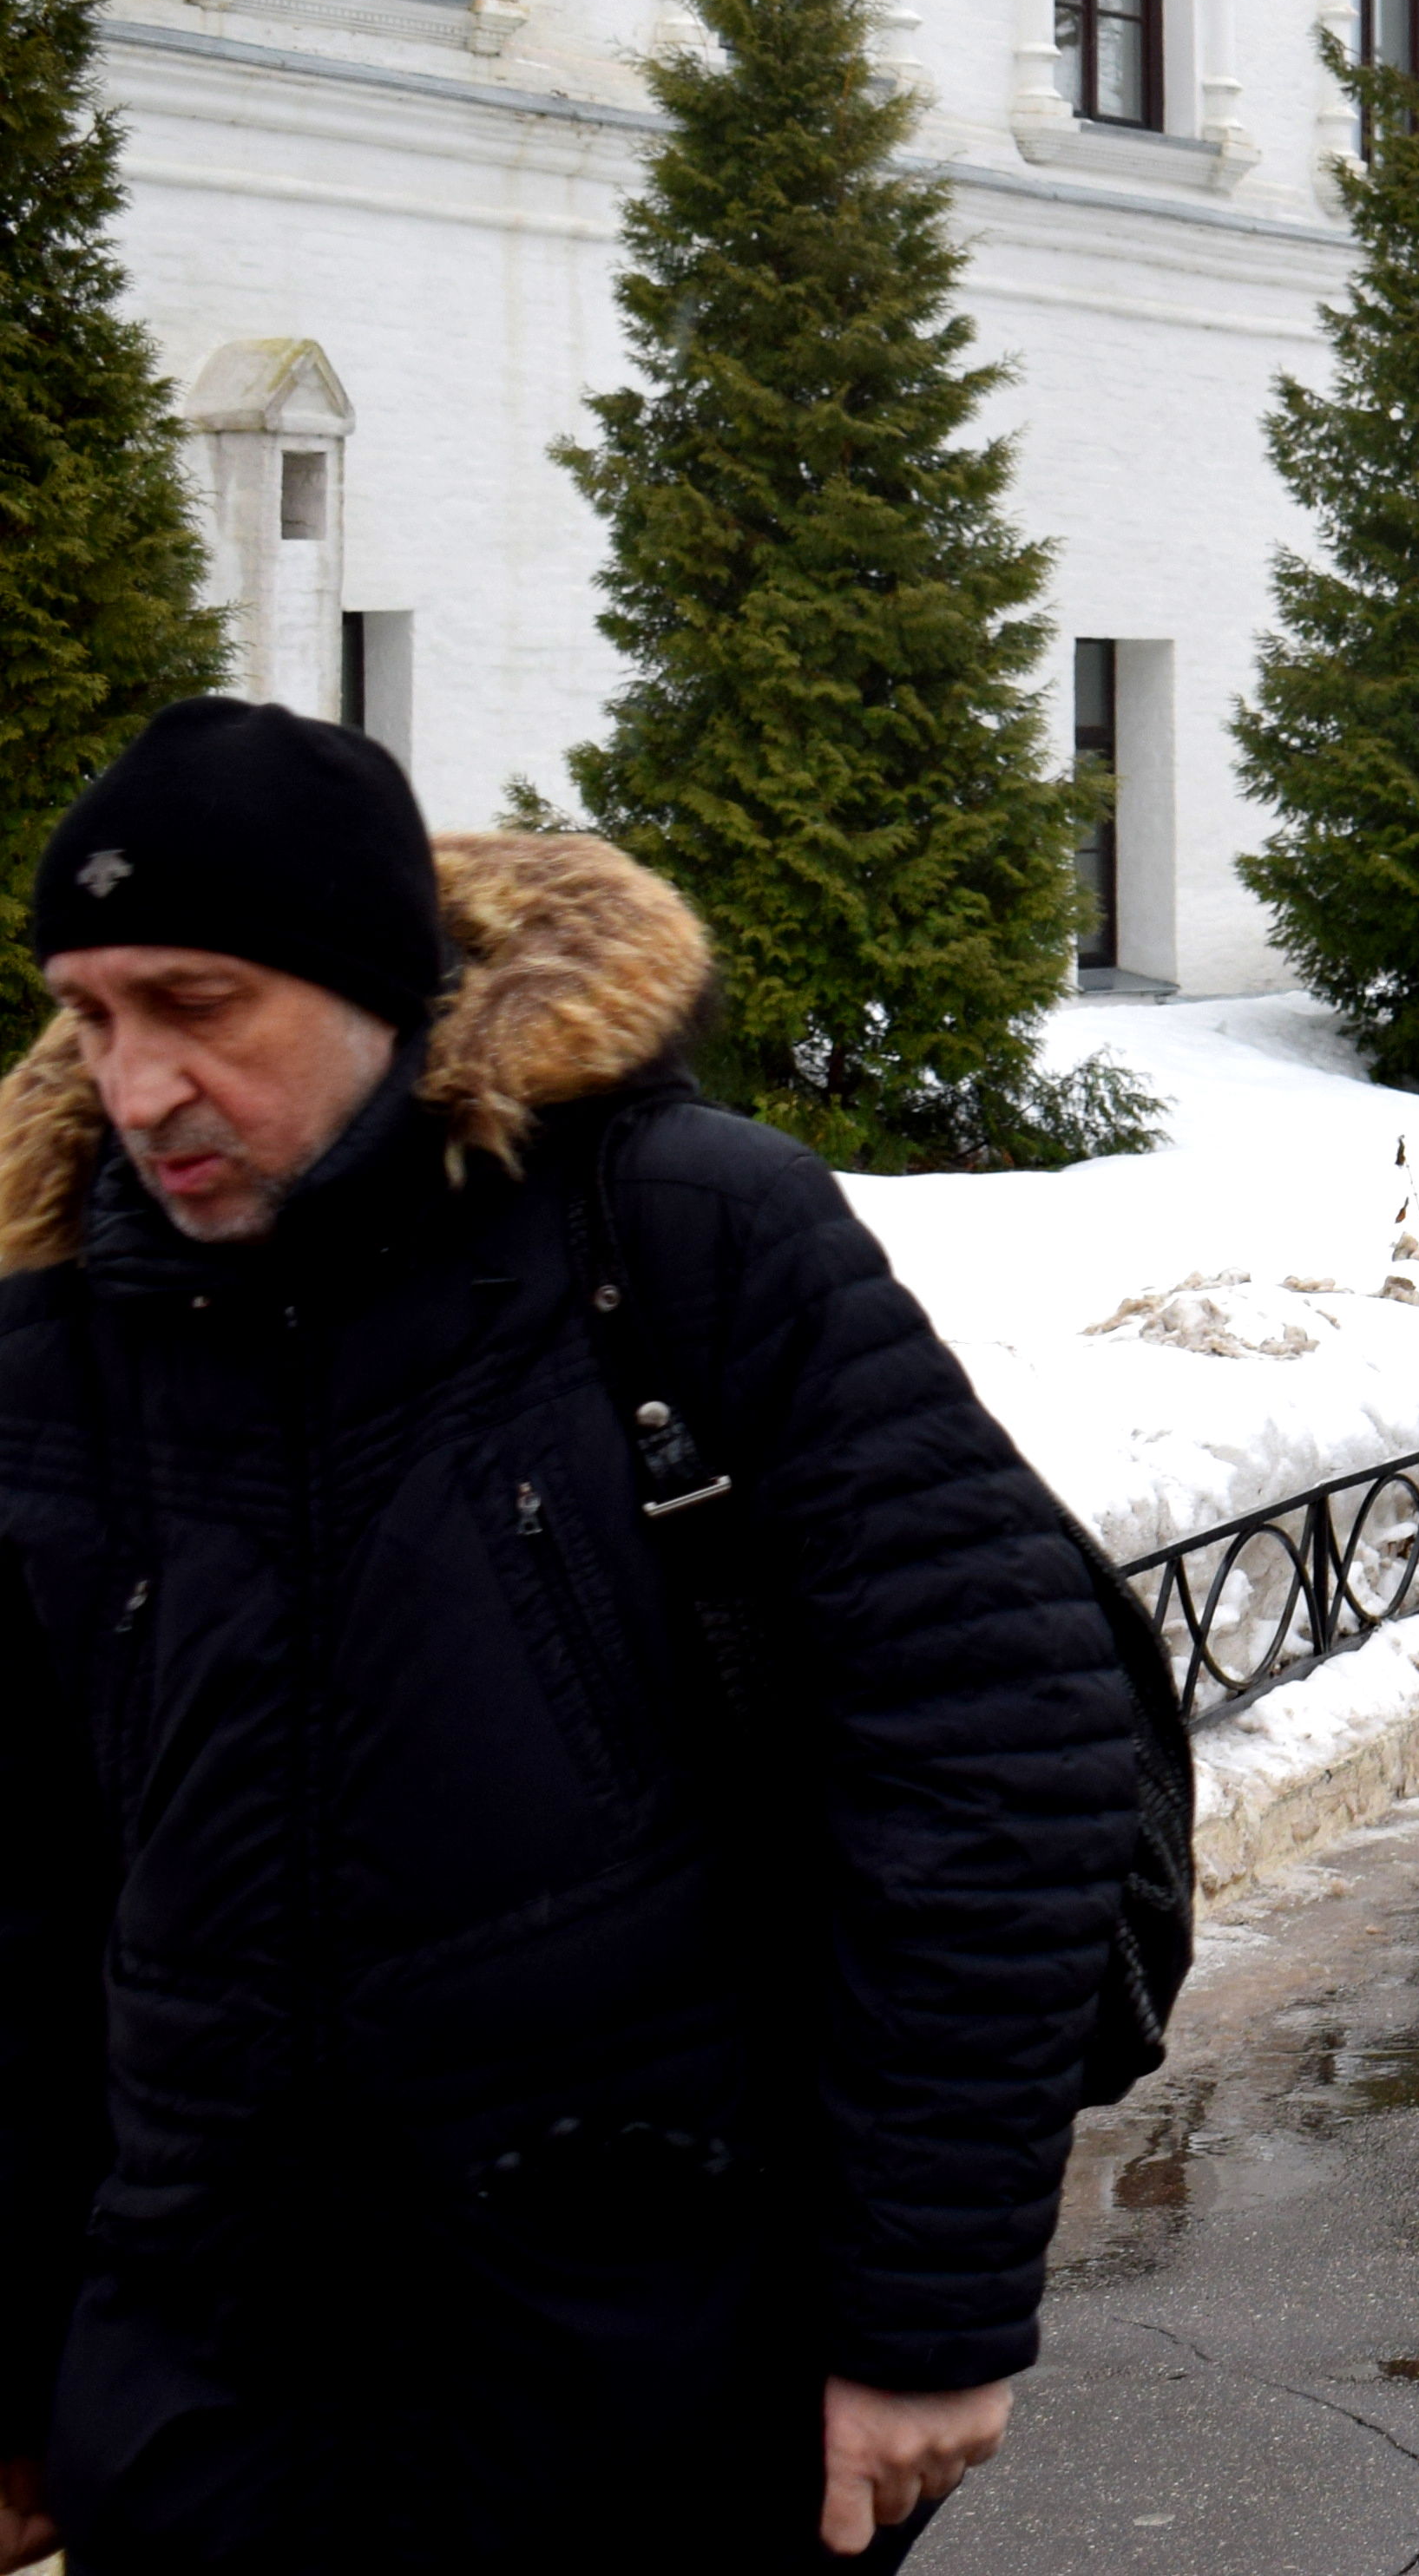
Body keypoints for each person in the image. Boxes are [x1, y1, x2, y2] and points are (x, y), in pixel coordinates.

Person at [0, 699, 1140, 2573]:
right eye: (96, 1011)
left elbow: (994, 1743)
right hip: (207, 2401)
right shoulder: (63, 1339)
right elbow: (23, 1899)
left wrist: (922, 2312)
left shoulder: (680, 1231)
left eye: (201, 1004)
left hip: (656, 2374)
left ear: (373, 987)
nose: (136, 1086)